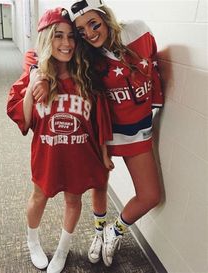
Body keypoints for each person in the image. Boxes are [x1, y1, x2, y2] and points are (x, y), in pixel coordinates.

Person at [6, 7, 114, 273]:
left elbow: (99, 120)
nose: (66, 44)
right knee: (38, 198)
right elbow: (25, 117)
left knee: (73, 201)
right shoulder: (37, 77)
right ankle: (33, 242)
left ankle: (63, 249)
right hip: (47, 155)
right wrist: (33, 82)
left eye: (70, 37)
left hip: (78, 156)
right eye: (58, 36)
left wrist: (103, 154)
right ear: (46, 38)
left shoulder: (86, 77)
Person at [65, 0, 164, 267]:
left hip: (137, 131)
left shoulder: (139, 31)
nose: (89, 34)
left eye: (93, 24)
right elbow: (48, 55)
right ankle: (98, 232)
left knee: (151, 195)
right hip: (104, 134)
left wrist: (155, 102)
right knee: (100, 185)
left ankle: (114, 230)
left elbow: (154, 64)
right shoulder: (84, 55)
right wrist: (35, 71)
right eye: (82, 31)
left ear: (105, 15)